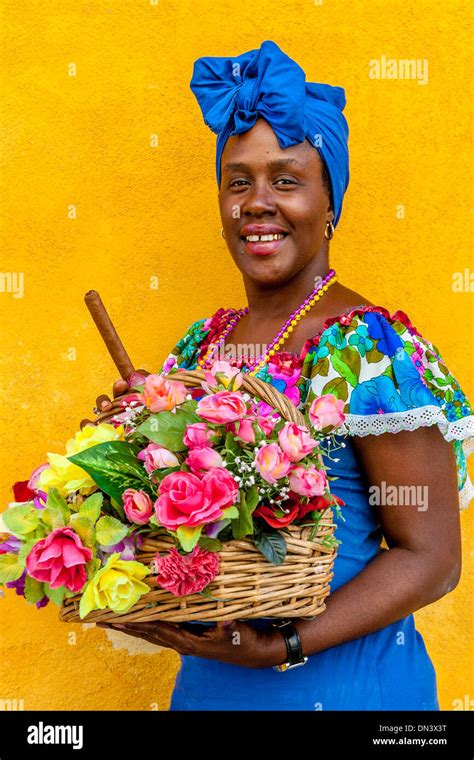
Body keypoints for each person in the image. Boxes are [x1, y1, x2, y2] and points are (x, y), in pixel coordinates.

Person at [87, 41, 473, 710]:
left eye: (286, 180)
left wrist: (286, 645)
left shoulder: (365, 347)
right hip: (210, 684)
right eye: (238, 181)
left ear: (330, 203)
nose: (257, 202)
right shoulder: (204, 346)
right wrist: (135, 447)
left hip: (344, 686)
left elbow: (431, 558)